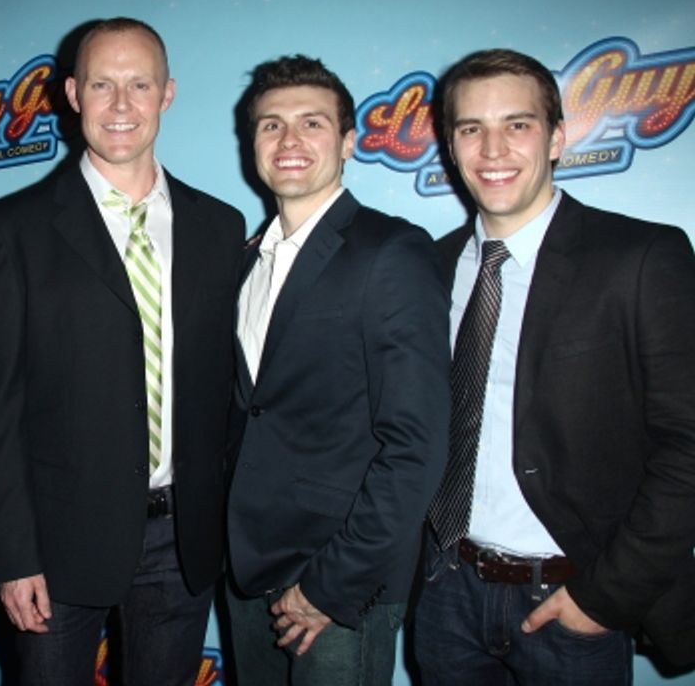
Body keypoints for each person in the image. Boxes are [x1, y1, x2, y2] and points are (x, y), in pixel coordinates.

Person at [0, 17, 244, 685]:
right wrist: (13, 556)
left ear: (167, 93)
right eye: (101, 85)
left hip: (184, 541)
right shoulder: (8, 230)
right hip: (56, 547)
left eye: (139, 84)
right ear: (72, 94)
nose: (121, 104)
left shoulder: (219, 226)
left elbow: (227, 394)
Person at [414, 48, 695, 683]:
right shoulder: (428, 267)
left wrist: (605, 597)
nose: (493, 149)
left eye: (517, 124)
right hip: (445, 593)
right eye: (471, 128)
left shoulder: (640, 257)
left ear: (558, 137)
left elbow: (687, 446)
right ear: (451, 147)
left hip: (572, 603)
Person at [224, 54, 450, 685]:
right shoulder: (244, 262)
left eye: (312, 123)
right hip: (246, 568)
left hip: (339, 581)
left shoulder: (391, 251)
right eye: (271, 125)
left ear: (348, 142)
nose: (289, 140)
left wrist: (334, 583)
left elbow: (416, 443)